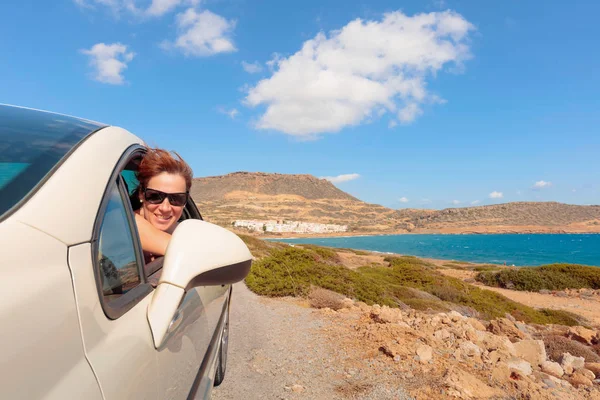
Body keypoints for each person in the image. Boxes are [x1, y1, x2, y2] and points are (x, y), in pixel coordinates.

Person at [133, 147, 193, 263]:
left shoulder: (182, 230)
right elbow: (190, 253)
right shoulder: (127, 223)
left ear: (185, 201)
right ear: (141, 194)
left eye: (176, 199)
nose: (165, 208)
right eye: (155, 196)